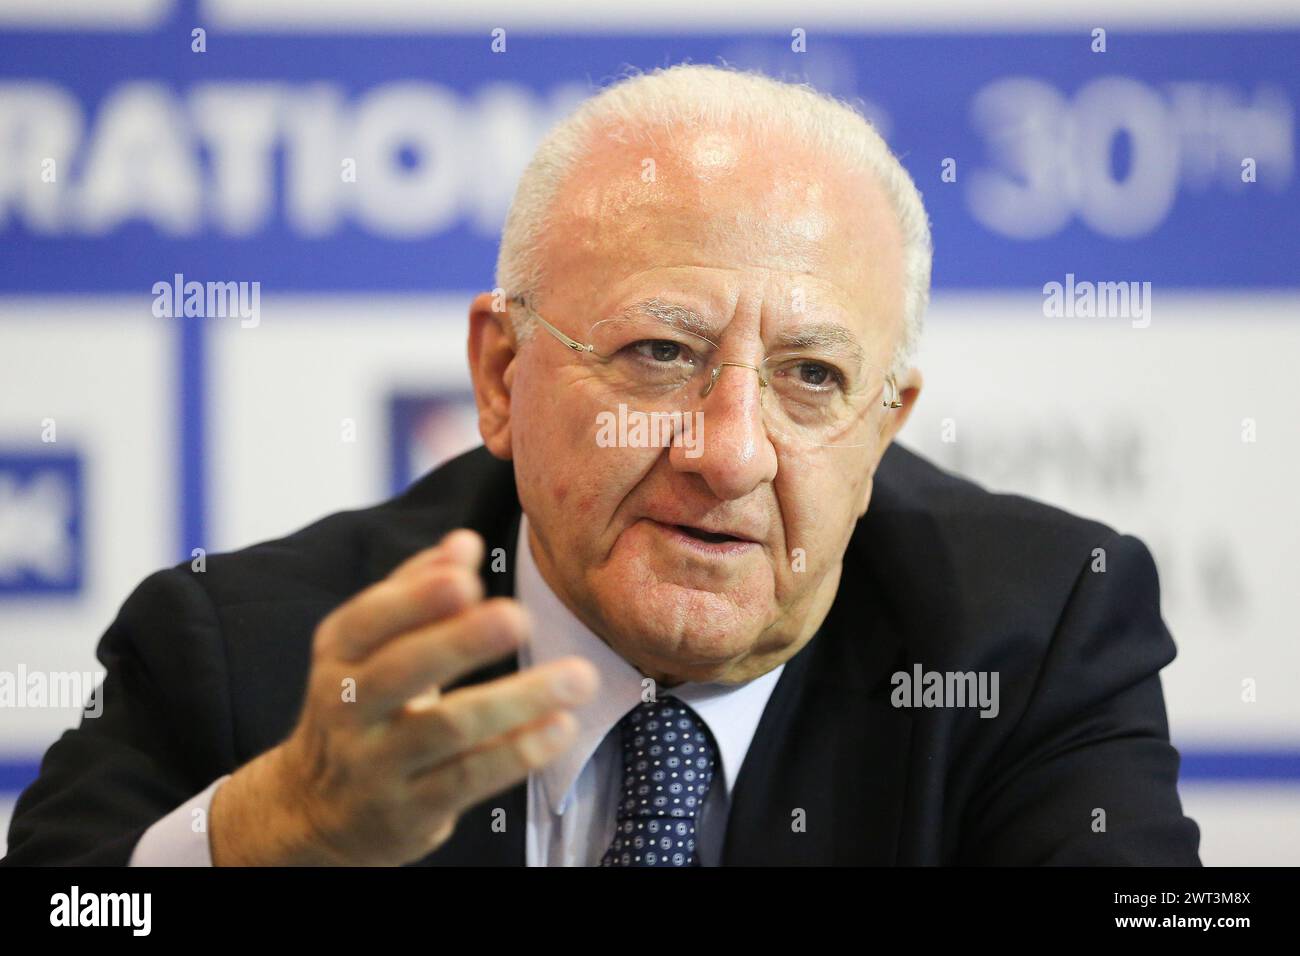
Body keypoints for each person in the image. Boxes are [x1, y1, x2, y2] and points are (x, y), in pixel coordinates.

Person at [2, 64, 1200, 866]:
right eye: (659, 352)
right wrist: (284, 823)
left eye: (813, 378)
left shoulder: (1033, 634)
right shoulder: (254, 657)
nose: (727, 451)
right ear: (499, 374)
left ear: (887, 424)